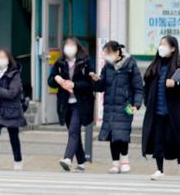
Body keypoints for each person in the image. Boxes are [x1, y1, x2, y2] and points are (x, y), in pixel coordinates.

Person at [141, 35, 180, 180]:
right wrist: (147, 101)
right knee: (158, 140)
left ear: (173, 48)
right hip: (156, 111)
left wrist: (175, 84)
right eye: (160, 44)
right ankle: (159, 169)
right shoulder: (154, 66)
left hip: (173, 112)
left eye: (164, 44)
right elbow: (146, 87)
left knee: (173, 139)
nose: (161, 47)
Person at [90, 41, 144, 173]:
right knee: (112, 135)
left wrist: (136, 105)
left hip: (125, 106)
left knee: (122, 134)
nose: (106, 56)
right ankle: (115, 163)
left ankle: (125, 160)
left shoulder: (130, 64)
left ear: (117, 52)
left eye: (108, 53)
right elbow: (101, 87)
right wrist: (96, 80)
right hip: (110, 106)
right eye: (105, 53)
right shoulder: (107, 66)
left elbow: (138, 87)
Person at [47, 37, 95, 172]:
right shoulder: (60, 63)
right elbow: (50, 81)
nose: (69, 47)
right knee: (74, 133)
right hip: (65, 103)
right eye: (66, 45)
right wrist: (56, 78)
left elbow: (90, 84)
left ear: (77, 47)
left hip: (81, 103)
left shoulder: (85, 63)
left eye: (72, 45)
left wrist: (74, 85)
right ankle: (81, 162)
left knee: (74, 130)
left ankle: (67, 158)